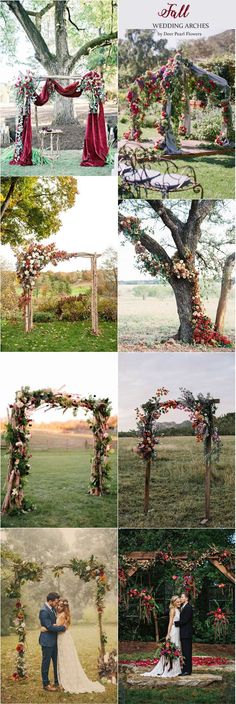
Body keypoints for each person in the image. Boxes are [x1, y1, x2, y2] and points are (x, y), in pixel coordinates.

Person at [41, 598, 105, 694]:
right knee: (62, 659)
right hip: (61, 638)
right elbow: (56, 625)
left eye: (61, 606)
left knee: (65, 659)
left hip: (63, 638)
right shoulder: (56, 612)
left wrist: (45, 628)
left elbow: (57, 627)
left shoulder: (62, 615)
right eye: (58, 605)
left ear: (64, 607)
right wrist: (54, 626)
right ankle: (60, 680)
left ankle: (65, 681)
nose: (58, 607)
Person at [141, 596, 182, 678]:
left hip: (178, 631)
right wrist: (168, 634)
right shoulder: (172, 610)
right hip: (173, 630)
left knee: (177, 648)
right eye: (177, 602)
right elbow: (170, 622)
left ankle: (176, 669)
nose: (179, 603)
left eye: (179, 602)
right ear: (173, 603)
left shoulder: (178, 610)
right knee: (172, 648)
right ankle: (169, 668)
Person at [39, 592, 66, 692]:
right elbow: (49, 626)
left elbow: (53, 623)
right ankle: (46, 684)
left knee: (56, 662)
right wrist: (62, 628)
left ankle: (57, 681)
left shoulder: (53, 609)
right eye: (56, 601)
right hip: (47, 641)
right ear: (50, 601)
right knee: (46, 662)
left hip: (55, 640)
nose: (57, 603)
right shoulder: (43, 611)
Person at [174, 591, 193, 675]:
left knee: (187, 652)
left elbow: (185, 620)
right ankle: (185, 669)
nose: (181, 599)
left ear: (186, 598)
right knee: (185, 652)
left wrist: (175, 623)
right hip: (184, 633)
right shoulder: (183, 607)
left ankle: (187, 671)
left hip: (186, 633)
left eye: (182, 597)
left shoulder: (188, 607)